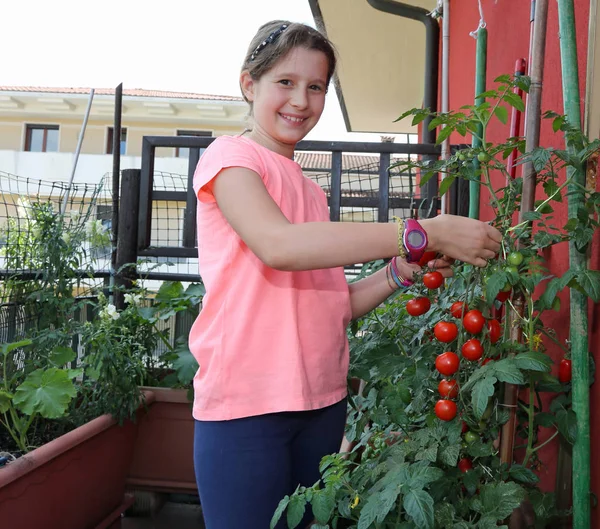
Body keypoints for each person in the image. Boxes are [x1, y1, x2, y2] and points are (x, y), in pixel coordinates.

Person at [189, 20, 501, 529]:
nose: (301, 100)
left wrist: (400, 270)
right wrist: (422, 232)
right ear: (250, 85)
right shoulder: (231, 158)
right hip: (245, 407)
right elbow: (279, 246)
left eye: (315, 87)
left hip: (322, 401)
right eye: (285, 83)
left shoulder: (310, 191)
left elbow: (334, 304)